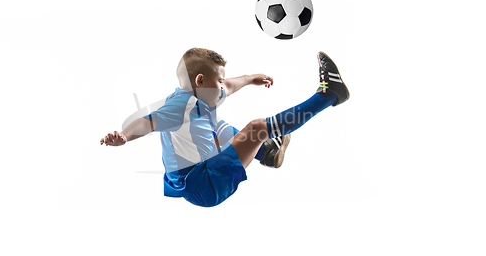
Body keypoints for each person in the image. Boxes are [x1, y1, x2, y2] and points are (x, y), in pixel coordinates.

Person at [100, 48, 349, 207]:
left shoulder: (205, 94)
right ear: (200, 80)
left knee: (218, 127)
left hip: (200, 175)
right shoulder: (180, 106)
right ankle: (328, 95)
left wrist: (251, 78)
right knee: (256, 128)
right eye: (218, 80)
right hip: (203, 183)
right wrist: (123, 135)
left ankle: (268, 153)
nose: (223, 87)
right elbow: (147, 122)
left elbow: (230, 85)